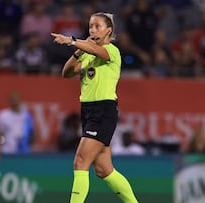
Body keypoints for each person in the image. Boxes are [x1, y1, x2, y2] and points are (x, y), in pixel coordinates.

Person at [51, 12, 139, 203]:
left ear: (109, 30)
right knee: (104, 169)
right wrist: (78, 50)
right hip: (88, 111)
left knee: (80, 162)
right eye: (91, 26)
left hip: (103, 111)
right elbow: (66, 73)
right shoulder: (87, 55)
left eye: (97, 26)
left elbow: (97, 51)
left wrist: (71, 41)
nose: (92, 30)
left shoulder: (112, 51)